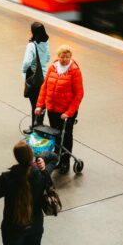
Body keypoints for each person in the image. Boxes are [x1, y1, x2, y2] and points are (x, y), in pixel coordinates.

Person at [34, 44, 84, 173]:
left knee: (66, 137)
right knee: (55, 136)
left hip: (66, 113)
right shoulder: (53, 68)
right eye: (62, 57)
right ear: (58, 57)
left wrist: (69, 112)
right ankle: (56, 159)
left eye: (68, 57)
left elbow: (79, 94)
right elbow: (44, 88)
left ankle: (65, 162)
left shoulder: (74, 71)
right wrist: (40, 105)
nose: (65, 59)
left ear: (71, 57)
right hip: (52, 110)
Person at [21, 22, 50, 130]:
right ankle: (39, 124)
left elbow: (26, 62)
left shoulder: (31, 45)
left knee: (35, 104)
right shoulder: (46, 42)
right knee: (41, 103)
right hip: (44, 76)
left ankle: (34, 127)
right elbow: (47, 57)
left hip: (34, 78)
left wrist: (24, 71)